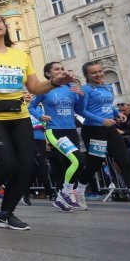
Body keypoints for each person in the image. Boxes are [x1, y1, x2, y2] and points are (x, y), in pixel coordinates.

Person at [0, 13, 74, 230]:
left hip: (19, 116)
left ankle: (6, 213)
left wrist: (54, 82)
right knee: (7, 163)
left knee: (26, 167)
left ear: (5, 26)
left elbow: (35, 88)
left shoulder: (20, 55)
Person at [75, 61, 130, 212]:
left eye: (100, 71)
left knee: (125, 161)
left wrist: (118, 113)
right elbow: (81, 110)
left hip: (110, 129)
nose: (98, 74)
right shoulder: (85, 90)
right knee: (95, 164)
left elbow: (107, 106)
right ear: (87, 75)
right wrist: (100, 120)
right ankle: (78, 191)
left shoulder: (106, 87)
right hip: (93, 130)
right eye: (94, 72)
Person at [29, 61, 83, 211]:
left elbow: (80, 109)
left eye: (62, 69)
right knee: (77, 160)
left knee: (72, 164)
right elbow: (31, 107)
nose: (61, 71)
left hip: (71, 130)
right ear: (48, 74)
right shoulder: (44, 89)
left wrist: (81, 95)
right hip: (55, 130)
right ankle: (65, 194)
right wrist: (41, 116)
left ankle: (62, 198)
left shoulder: (69, 87)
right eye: (56, 69)